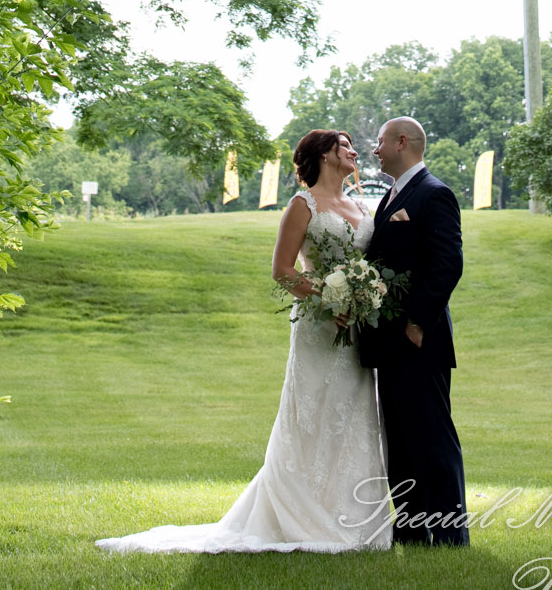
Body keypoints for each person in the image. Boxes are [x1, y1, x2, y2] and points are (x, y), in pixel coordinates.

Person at [95, 129, 392, 554]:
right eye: (345, 146)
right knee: (314, 413)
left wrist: (361, 293)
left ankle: (353, 518)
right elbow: (282, 271)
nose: (354, 152)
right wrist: (329, 296)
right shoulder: (301, 204)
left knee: (354, 413)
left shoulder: (363, 206)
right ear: (325, 156)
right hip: (318, 326)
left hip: (357, 328)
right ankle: (301, 515)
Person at [356, 117, 468, 546]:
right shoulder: (391, 196)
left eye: (380, 141)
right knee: (401, 441)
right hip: (390, 344)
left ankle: (450, 537)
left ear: (401, 142)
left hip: (421, 340)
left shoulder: (434, 194)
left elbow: (447, 265)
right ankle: (412, 533)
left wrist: (418, 322)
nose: (375, 150)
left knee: (432, 439)